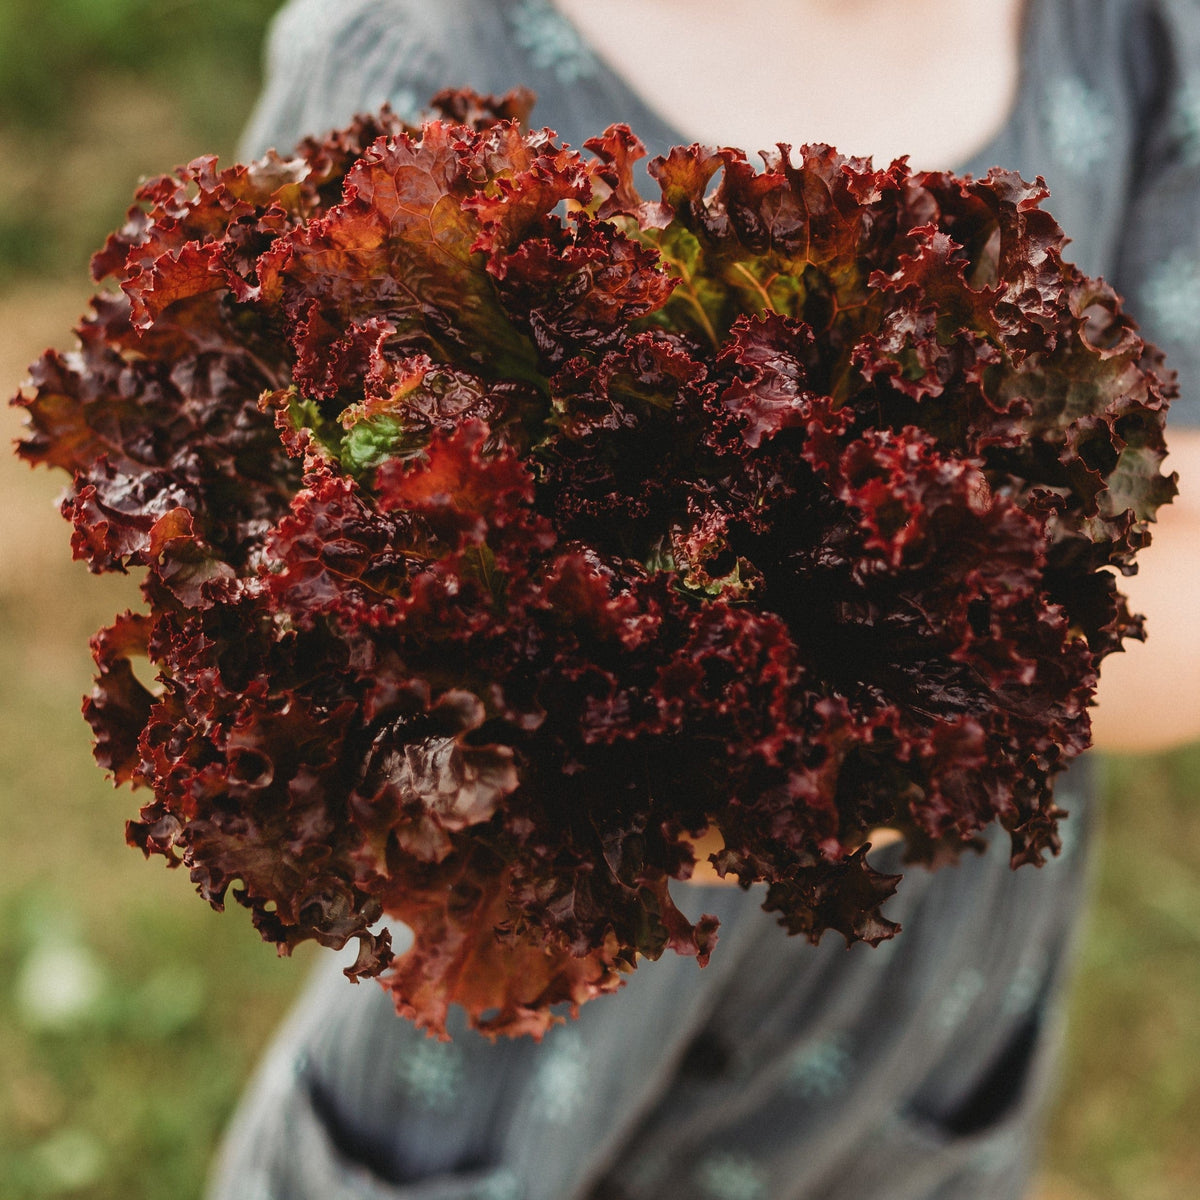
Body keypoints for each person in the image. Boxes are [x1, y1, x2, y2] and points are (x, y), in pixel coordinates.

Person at [208, 2, 1200, 1197]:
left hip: (897, 1029)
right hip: (526, 1034)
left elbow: (1182, 543)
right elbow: (288, 569)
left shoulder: (1139, 44)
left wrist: (877, 724)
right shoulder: (416, 49)